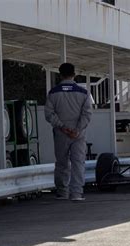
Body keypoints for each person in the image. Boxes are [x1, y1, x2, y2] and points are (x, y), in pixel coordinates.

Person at [45, 63, 92, 201]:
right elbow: (87, 114)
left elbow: (49, 114)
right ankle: (77, 193)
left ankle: (62, 192)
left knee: (61, 163)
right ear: (74, 74)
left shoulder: (53, 93)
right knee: (78, 162)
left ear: (60, 74)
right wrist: (77, 130)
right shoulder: (83, 93)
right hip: (78, 134)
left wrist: (62, 127)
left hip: (61, 133)